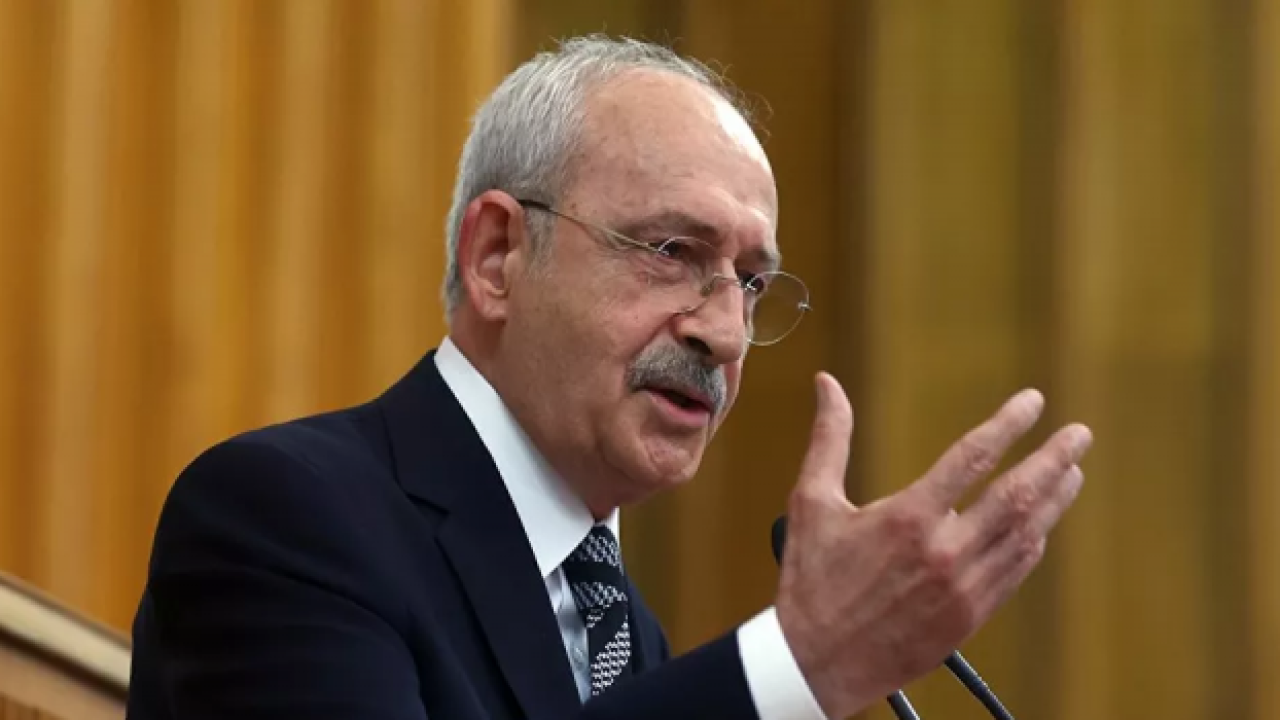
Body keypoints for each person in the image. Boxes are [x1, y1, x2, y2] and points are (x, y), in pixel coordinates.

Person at [126, 35, 1092, 720]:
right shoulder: (287, 516)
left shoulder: (625, 630)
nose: (726, 333)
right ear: (497, 257)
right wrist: (795, 665)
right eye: (672, 251)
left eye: (752, 283)